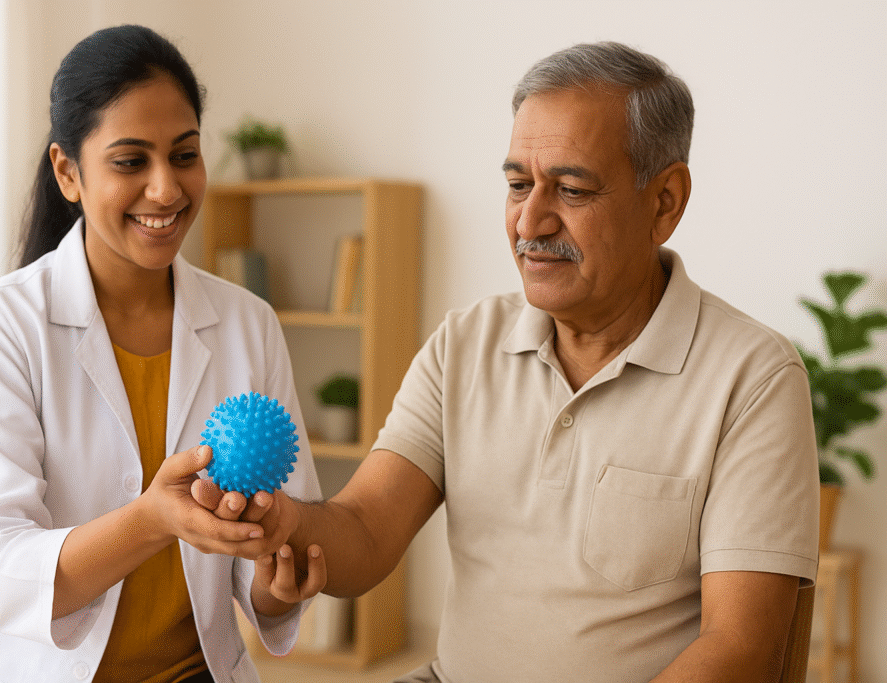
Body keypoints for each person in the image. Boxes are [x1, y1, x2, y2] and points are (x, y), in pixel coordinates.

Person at [246, 42, 820, 682]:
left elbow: (740, 651)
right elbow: (365, 529)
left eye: (571, 189)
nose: (530, 220)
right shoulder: (464, 342)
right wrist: (286, 521)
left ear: (665, 201)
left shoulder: (754, 377)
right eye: (518, 184)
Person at [0, 24, 323, 683]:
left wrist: (277, 583)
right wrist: (149, 520)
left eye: (184, 155)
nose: (166, 189)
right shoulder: (0, 323)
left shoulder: (250, 322)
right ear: (68, 172)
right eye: (131, 161)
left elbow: (267, 552)